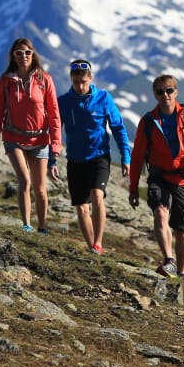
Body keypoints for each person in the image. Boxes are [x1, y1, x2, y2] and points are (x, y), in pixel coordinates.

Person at [129, 74, 184, 278]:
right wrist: (134, 188)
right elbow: (137, 156)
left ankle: (180, 273)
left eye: (169, 90)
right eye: (160, 92)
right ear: (155, 95)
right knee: (160, 213)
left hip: (183, 178)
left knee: (182, 230)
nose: (165, 95)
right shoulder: (148, 121)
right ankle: (169, 260)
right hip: (158, 174)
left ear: (176, 92)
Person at [54, 59, 131, 255]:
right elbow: (53, 132)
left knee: (97, 195)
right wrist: (52, 159)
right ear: (71, 79)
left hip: (99, 157)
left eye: (83, 82)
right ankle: (92, 248)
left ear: (91, 78)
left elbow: (118, 128)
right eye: (76, 82)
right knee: (81, 208)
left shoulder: (104, 98)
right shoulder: (63, 102)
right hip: (75, 160)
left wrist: (125, 157)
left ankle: (98, 242)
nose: (80, 86)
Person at [0, 38, 61, 234]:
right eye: (18, 53)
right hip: (13, 138)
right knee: (24, 180)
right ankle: (26, 224)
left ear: (33, 54)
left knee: (41, 189)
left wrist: (55, 145)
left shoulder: (45, 80)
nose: (23, 57)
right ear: (13, 56)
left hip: (39, 140)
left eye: (27, 52)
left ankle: (42, 227)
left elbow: (54, 114)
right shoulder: (6, 81)